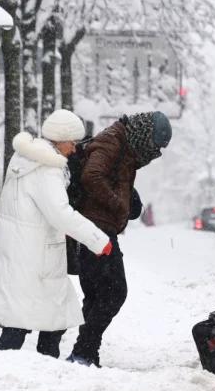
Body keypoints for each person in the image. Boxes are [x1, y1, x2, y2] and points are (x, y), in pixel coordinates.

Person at [0, 110, 113, 358]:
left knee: (34, 318)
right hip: (34, 255)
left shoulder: (24, 159)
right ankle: (30, 369)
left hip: (20, 250)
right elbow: (61, 214)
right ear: (60, 140)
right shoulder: (47, 169)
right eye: (72, 143)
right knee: (32, 321)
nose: (74, 149)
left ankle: (36, 367)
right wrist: (98, 240)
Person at [69, 111, 172, 366]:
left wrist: (128, 198)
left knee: (96, 295)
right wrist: (119, 205)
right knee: (115, 292)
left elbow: (111, 176)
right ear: (145, 135)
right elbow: (91, 176)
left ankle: (86, 354)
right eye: (154, 147)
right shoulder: (112, 141)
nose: (154, 154)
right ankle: (83, 351)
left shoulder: (124, 144)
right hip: (95, 229)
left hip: (98, 227)